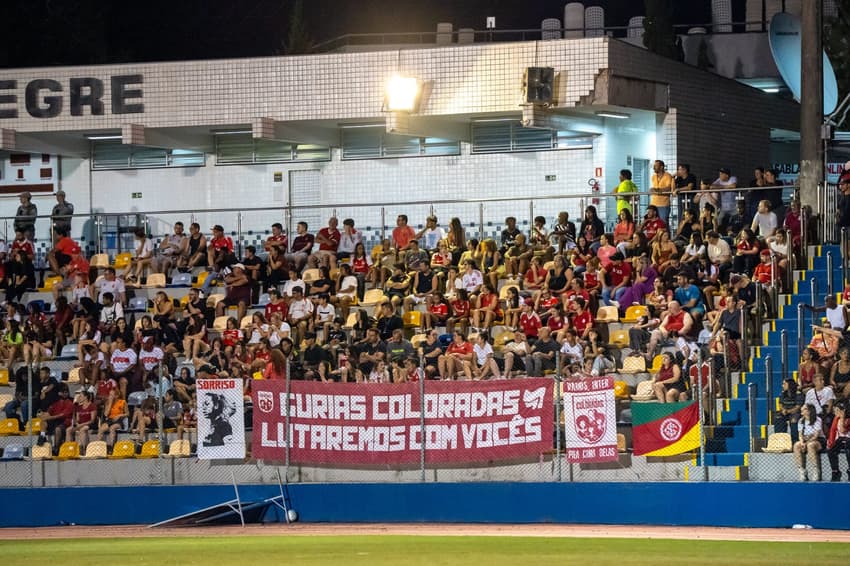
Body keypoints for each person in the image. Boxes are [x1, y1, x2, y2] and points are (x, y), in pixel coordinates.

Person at [794, 403, 824, 481]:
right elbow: (800, 435)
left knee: (810, 445)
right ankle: (801, 471)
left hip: (818, 441)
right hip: (806, 440)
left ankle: (816, 470)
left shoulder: (817, 419)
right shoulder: (801, 420)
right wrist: (802, 442)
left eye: (804, 408)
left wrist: (806, 443)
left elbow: (816, 435)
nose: (801, 409)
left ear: (809, 411)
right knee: (796, 445)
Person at [826, 401, 850, 482]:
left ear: (843, 411)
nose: (835, 412)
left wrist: (842, 418)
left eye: (837, 410)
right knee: (830, 450)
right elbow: (832, 431)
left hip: (849, 439)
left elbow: (843, 430)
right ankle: (835, 471)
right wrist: (830, 442)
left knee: (848, 448)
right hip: (841, 439)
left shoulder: (848, 419)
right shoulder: (836, 418)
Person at [775, 378, 804, 443]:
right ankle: (780, 440)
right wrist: (783, 410)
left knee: (794, 420)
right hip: (785, 411)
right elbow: (780, 404)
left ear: (790, 385)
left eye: (784, 384)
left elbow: (798, 407)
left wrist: (788, 411)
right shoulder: (783, 393)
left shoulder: (798, 393)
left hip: (795, 412)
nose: (783, 385)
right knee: (778, 417)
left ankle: (795, 441)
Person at [650, 159, 675, 224]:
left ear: (661, 167)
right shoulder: (653, 177)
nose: (654, 167)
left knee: (663, 223)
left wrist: (657, 190)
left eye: (656, 166)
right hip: (654, 203)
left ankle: (666, 234)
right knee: (654, 223)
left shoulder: (668, 176)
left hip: (663, 204)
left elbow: (668, 188)